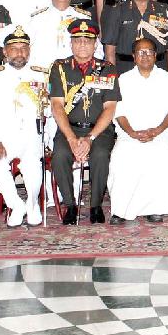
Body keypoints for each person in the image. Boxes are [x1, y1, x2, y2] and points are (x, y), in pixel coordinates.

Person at [49, 20, 119, 225]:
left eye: (87, 41)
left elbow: (110, 108)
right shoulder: (59, 68)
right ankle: (70, 205)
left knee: (100, 155)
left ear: (95, 44)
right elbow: (57, 106)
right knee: (60, 155)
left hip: (99, 131)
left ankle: (95, 205)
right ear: (70, 43)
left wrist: (90, 138)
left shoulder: (107, 69)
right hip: (69, 128)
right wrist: (71, 139)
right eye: (77, 40)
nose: (82, 45)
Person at [107, 37, 168, 224]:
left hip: (161, 134)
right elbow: (119, 112)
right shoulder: (123, 80)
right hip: (129, 134)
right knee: (121, 157)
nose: (145, 56)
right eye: (140, 52)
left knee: (161, 155)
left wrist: (156, 131)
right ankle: (120, 210)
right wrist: (132, 133)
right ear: (133, 56)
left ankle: (154, 209)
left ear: (155, 56)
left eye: (149, 52)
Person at [0, 26, 49, 228]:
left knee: (32, 166)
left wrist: (48, 139)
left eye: (23, 48)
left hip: (32, 133)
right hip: (4, 135)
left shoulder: (42, 75)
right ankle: (16, 205)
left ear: (29, 51)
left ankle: (32, 205)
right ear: (5, 51)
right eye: (14, 48)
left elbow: (49, 110)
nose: (19, 53)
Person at [25, 0, 97, 71]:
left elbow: (97, 49)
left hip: (75, 74)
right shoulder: (36, 19)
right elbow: (26, 50)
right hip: (44, 74)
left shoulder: (84, 18)